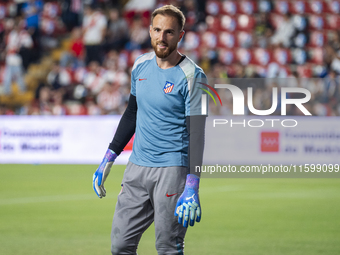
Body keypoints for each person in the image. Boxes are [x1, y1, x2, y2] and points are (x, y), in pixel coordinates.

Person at [92, 5, 207, 255]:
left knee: (168, 248)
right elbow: (132, 113)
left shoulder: (193, 76)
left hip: (172, 170)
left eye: (169, 32)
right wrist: (109, 157)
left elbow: (197, 133)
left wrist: (192, 185)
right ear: (149, 31)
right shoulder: (140, 65)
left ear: (180, 35)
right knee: (120, 245)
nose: (161, 37)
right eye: (157, 30)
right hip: (137, 168)